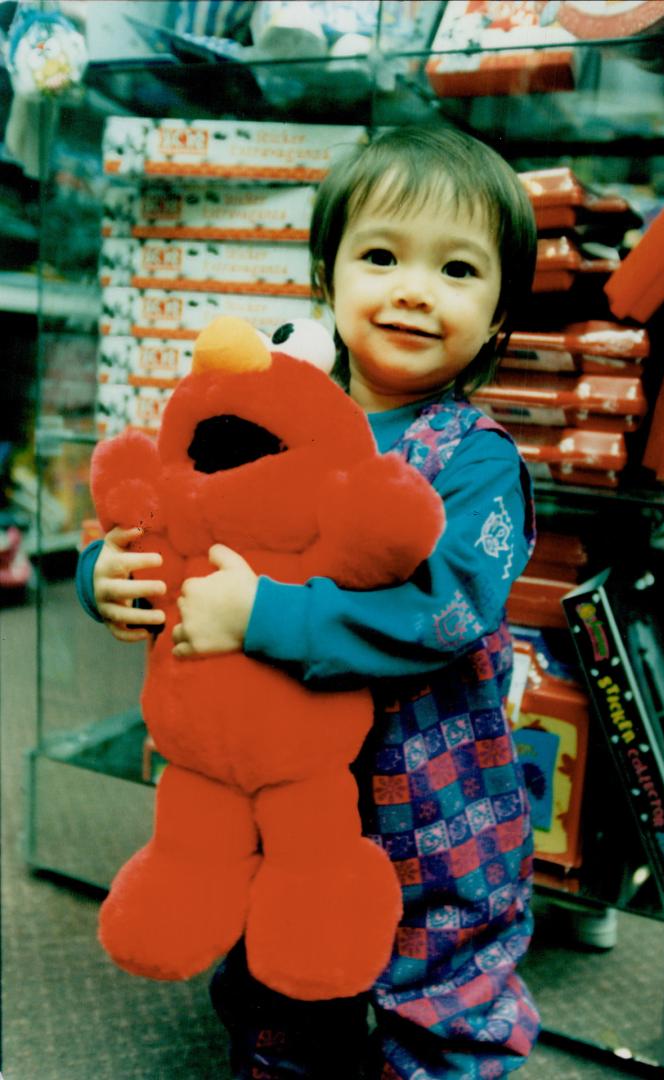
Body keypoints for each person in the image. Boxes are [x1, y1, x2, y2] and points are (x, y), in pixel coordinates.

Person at [77, 123, 539, 1079]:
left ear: (498, 316)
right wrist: (107, 575)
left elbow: (451, 609)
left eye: (457, 270)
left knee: (441, 996)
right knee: (280, 986)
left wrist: (265, 618)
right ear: (327, 278)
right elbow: (172, 505)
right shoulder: (262, 410)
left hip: (429, 799)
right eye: (380, 256)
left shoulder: (473, 456)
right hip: (267, 793)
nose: (412, 290)